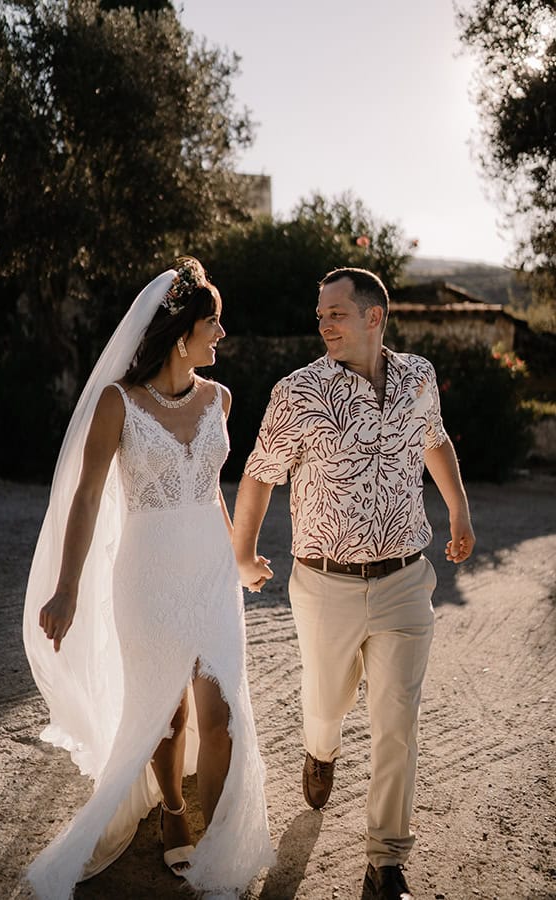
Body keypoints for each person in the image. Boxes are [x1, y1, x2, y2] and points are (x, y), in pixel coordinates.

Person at [23, 258, 274, 900]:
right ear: (181, 330)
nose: (222, 335)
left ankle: (217, 846)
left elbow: (212, 490)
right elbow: (84, 500)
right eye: (213, 323)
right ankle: (170, 809)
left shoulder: (220, 398)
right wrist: (68, 588)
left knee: (219, 716)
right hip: (149, 570)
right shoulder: (119, 403)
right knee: (166, 713)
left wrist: (240, 557)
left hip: (211, 571)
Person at [232, 268, 475, 900]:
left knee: (397, 717)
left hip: (404, 580)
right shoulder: (299, 392)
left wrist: (460, 510)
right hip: (324, 586)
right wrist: (243, 553)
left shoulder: (419, 378)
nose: (324, 326)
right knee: (325, 704)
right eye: (320, 316)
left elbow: (435, 442)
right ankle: (320, 750)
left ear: (374, 316)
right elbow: (259, 475)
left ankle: (385, 862)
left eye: (336, 314)